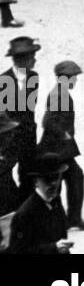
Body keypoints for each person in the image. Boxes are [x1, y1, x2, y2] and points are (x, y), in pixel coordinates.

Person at [36, 60, 84, 231]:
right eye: (74, 78)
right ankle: (62, 221)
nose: (76, 81)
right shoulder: (59, 95)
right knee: (61, 182)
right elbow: (47, 121)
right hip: (55, 149)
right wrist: (64, 134)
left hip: (60, 149)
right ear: (65, 78)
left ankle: (72, 218)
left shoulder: (61, 92)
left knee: (74, 177)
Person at [6, 152, 72, 253]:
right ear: (36, 181)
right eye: (48, 179)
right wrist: (53, 248)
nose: (53, 183)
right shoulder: (25, 214)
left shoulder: (56, 201)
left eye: (56, 177)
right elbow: (18, 251)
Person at [0, 35, 39, 200]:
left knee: (29, 176)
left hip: (29, 136)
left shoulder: (33, 77)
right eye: (32, 57)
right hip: (11, 138)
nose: (35, 61)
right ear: (22, 59)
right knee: (5, 178)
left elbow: (31, 108)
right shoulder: (4, 80)